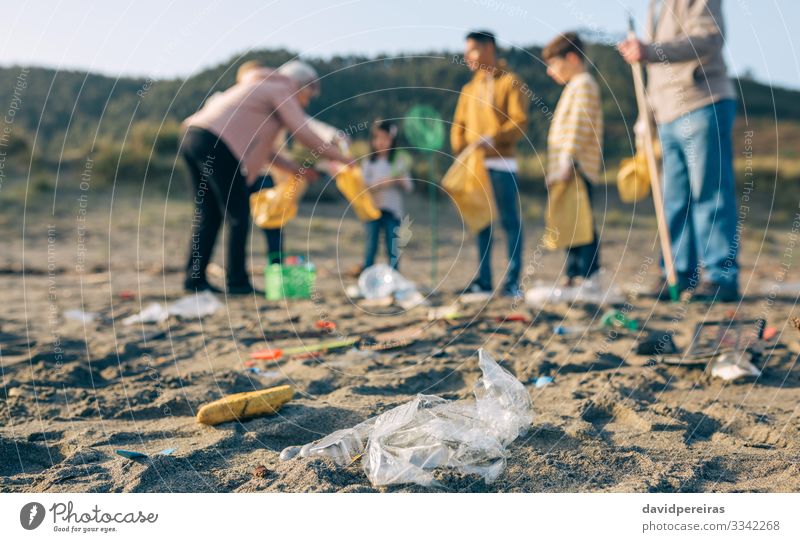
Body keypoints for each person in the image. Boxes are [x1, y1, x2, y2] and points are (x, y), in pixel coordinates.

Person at [180, 60, 351, 294]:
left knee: (208, 214)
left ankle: (194, 280)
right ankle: (237, 282)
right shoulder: (280, 89)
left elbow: (269, 153)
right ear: (302, 85)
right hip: (216, 143)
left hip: (193, 136)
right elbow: (303, 133)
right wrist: (345, 159)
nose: (307, 101)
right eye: (309, 94)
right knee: (238, 215)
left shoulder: (259, 87)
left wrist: (296, 169)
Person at [618, 0, 739, 302]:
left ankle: (720, 276)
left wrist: (652, 51)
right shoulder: (655, 6)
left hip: (701, 102)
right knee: (674, 198)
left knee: (709, 192)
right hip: (666, 114)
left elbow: (709, 37)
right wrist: (644, 118)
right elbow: (653, 75)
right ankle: (678, 273)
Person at [451, 30, 528, 298]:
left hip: (503, 164)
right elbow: (458, 127)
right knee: (481, 223)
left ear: (489, 49)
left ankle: (512, 282)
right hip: (476, 168)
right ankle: (484, 281)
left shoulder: (510, 82)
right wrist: (461, 148)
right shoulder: (468, 89)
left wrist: (494, 138)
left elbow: (519, 121)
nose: (467, 56)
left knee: (510, 222)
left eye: (471, 50)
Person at [543, 32, 604, 286]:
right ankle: (572, 275)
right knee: (569, 222)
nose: (550, 71)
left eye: (554, 64)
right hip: (566, 168)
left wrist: (568, 162)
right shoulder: (573, 87)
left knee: (582, 224)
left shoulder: (584, 84)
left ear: (571, 58)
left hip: (577, 168)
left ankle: (590, 275)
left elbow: (579, 126)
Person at [361, 120, 413, 271]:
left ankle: (394, 278)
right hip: (372, 211)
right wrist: (378, 185)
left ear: (392, 140)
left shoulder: (398, 163)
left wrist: (397, 180)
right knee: (371, 246)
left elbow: (409, 186)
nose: (381, 142)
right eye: (377, 138)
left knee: (393, 247)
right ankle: (366, 275)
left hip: (393, 211)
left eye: (385, 138)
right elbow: (364, 186)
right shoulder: (369, 163)